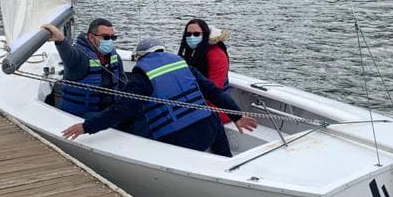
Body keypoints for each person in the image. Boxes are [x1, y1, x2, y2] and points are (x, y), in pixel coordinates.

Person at [61, 37, 257, 156]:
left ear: (140, 57)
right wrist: (237, 116)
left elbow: (121, 111)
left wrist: (86, 126)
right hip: (210, 130)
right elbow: (214, 91)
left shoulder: (141, 76)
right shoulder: (182, 64)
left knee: (131, 125)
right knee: (211, 115)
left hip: (178, 139)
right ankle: (226, 158)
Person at [43, 18, 125, 116]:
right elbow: (68, 52)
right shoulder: (79, 57)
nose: (110, 41)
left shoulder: (113, 55)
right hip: (82, 117)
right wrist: (61, 39)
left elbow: (123, 81)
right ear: (91, 37)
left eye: (113, 37)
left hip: (109, 111)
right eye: (106, 38)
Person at [177, 18, 231, 124]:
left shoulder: (216, 55)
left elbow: (215, 90)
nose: (192, 37)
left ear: (204, 34)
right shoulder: (192, 53)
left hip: (217, 110)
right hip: (194, 103)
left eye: (196, 34)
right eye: (188, 34)